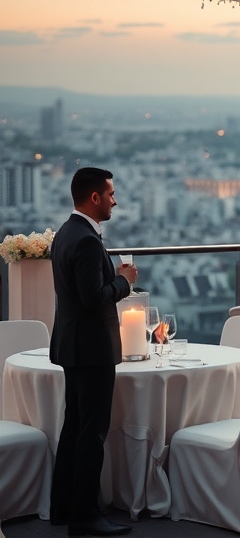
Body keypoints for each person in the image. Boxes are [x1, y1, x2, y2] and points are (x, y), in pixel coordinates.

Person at [49, 167, 138, 536]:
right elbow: (92, 300)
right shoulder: (86, 240)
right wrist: (124, 282)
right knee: (91, 433)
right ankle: (85, 515)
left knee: (74, 427)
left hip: (72, 346)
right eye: (111, 194)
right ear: (95, 197)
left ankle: (63, 507)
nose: (116, 200)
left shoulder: (65, 233)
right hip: (92, 350)